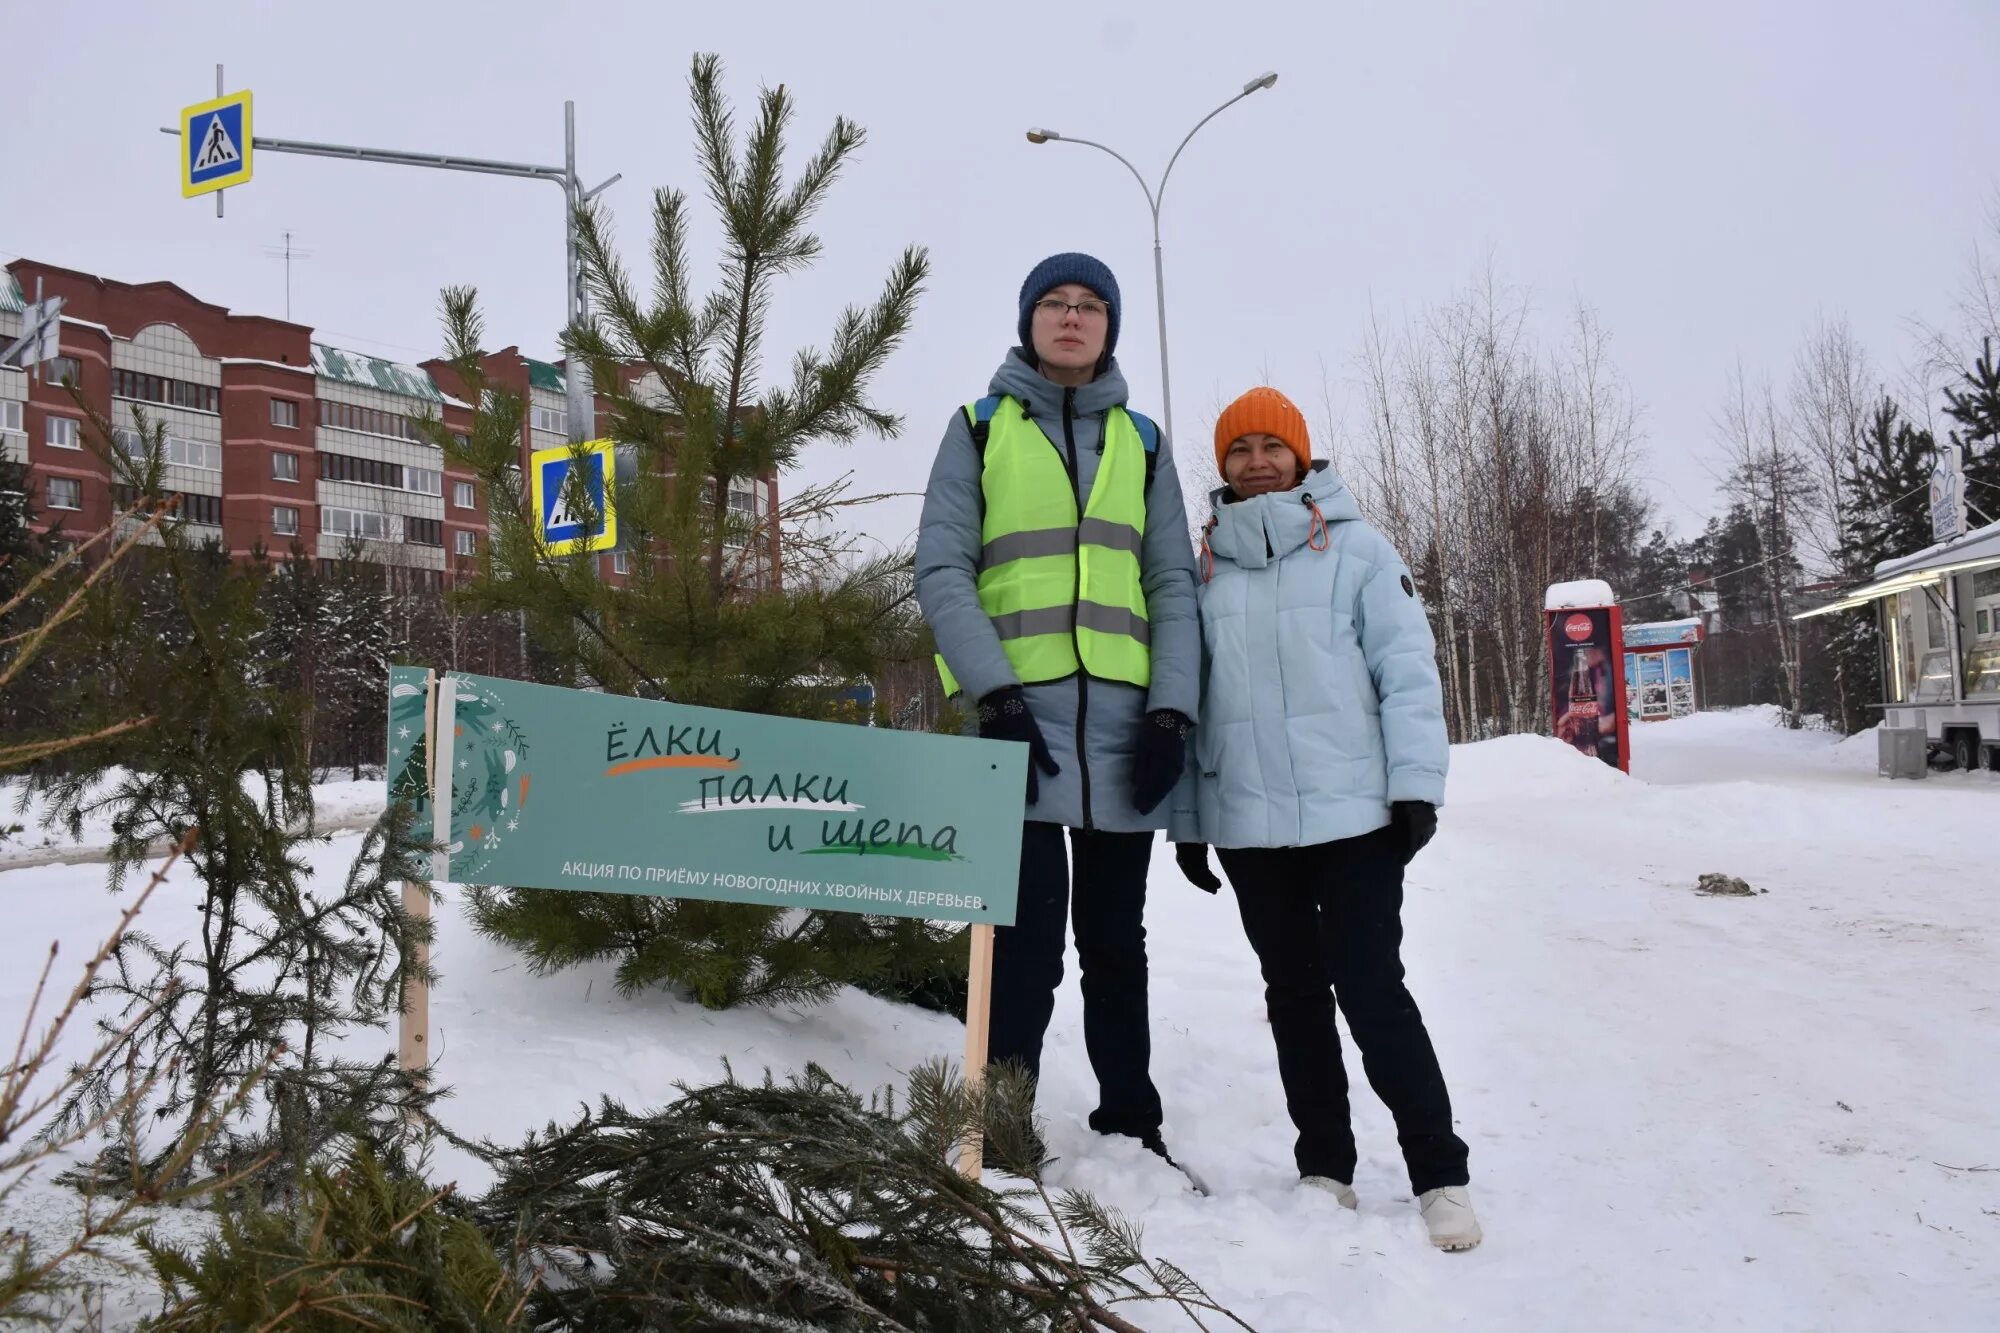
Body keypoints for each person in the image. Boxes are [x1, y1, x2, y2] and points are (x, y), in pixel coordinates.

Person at [1171, 386, 1481, 1250]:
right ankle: (1326, 1167)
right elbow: (1193, 704)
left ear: (1303, 456)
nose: (1259, 460)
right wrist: (1191, 819)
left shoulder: (1359, 552)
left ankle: (1439, 1172)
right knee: (1294, 996)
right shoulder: (1203, 570)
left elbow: (1407, 670)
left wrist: (1416, 785)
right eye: (1241, 448)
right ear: (1223, 466)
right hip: (1251, 828)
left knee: (1371, 988)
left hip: (1356, 820)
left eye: (1275, 445)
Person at [915, 252, 1200, 1165]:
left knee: (1119, 943)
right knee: (1023, 944)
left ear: (1110, 325)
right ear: (1029, 320)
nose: (1072, 317)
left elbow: (1171, 584)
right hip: (1018, 730)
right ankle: (1001, 1126)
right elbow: (941, 569)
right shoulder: (979, 427)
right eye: (1054, 303)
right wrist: (994, 694)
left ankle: (1132, 1118)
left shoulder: (1144, 442)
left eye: (1090, 305)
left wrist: (1171, 714)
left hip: (1122, 734)